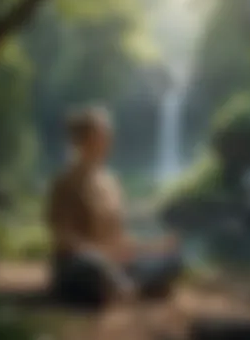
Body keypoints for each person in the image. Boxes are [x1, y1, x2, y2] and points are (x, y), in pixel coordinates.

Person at [46, 105, 183, 311]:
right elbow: (64, 238)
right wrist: (103, 254)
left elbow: (121, 238)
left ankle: (124, 288)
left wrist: (154, 247)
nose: (106, 141)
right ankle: (127, 287)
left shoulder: (111, 182)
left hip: (116, 263)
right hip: (81, 264)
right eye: (99, 135)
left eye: (107, 135)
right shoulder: (65, 182)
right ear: (80, 141)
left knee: (171, 259)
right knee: (92, 267)